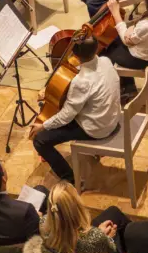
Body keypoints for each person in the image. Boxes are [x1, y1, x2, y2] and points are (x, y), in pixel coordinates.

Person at [30, 33, 122, 186]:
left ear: (75, 54)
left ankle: (71, 179)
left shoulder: (81, 81)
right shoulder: (106, 61)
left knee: (40, 140)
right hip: (112, 119)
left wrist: (42, 126)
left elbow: (66, 116)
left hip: (97, 129)